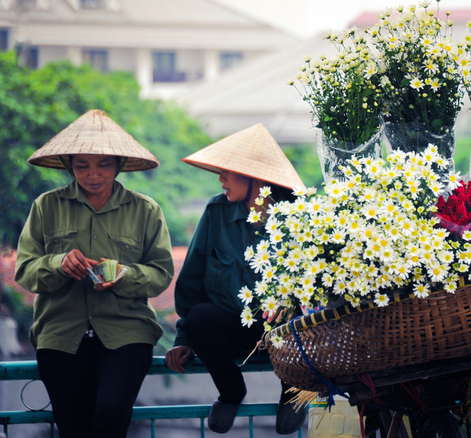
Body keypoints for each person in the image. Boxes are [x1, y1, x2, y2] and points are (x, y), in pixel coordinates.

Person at [14, 109, 175, 438]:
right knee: (73, 427)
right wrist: (58, 264)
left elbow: (160, 274)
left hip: (127, 333)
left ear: (118, 164)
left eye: (103, 164)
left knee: (112, 416)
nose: (93, 174)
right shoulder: (46, 206)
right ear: (68, 165)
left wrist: (125, 275)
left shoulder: (146, 210)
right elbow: (25, 271)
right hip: (59, 333)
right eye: (82, 165)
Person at [164, 123, 307, 434]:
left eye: (227, 171)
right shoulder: (215, 212)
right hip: (233, 326)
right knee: (201, 317)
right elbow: (190, 284)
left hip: (283, 332)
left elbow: (318, 285)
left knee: (296, 318)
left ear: (255, 177)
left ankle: (293, 394)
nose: (221, 179)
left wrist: (292, 304)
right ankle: (231, 393)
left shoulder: (299, 217)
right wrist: (185, 340)